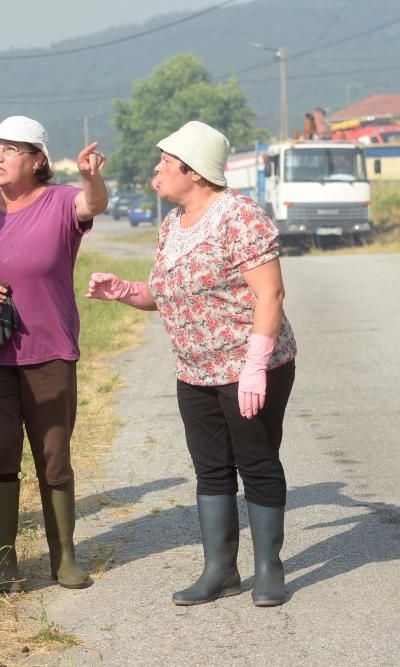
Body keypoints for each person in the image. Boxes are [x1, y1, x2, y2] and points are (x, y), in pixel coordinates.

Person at [87, 120, 296, 607]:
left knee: (258, 464)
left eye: (165, 162)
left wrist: (255, 365)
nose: (157, 168)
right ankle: (219, 571)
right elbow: (165, 294)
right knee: (211, 470)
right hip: (194, 372)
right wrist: (123, 291)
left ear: (194, 172)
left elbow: (271, 293)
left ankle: (270, 570)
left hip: (251, 368)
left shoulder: (241, 217)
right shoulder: (171, 226)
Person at [0, 116, 108, 592]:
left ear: (37, 160)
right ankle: (3, 566)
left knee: (53, 452)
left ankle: (65, 560)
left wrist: (90, 176)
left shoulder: (60, 204)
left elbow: (91, 203)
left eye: (10, 149)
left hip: (49, 349)